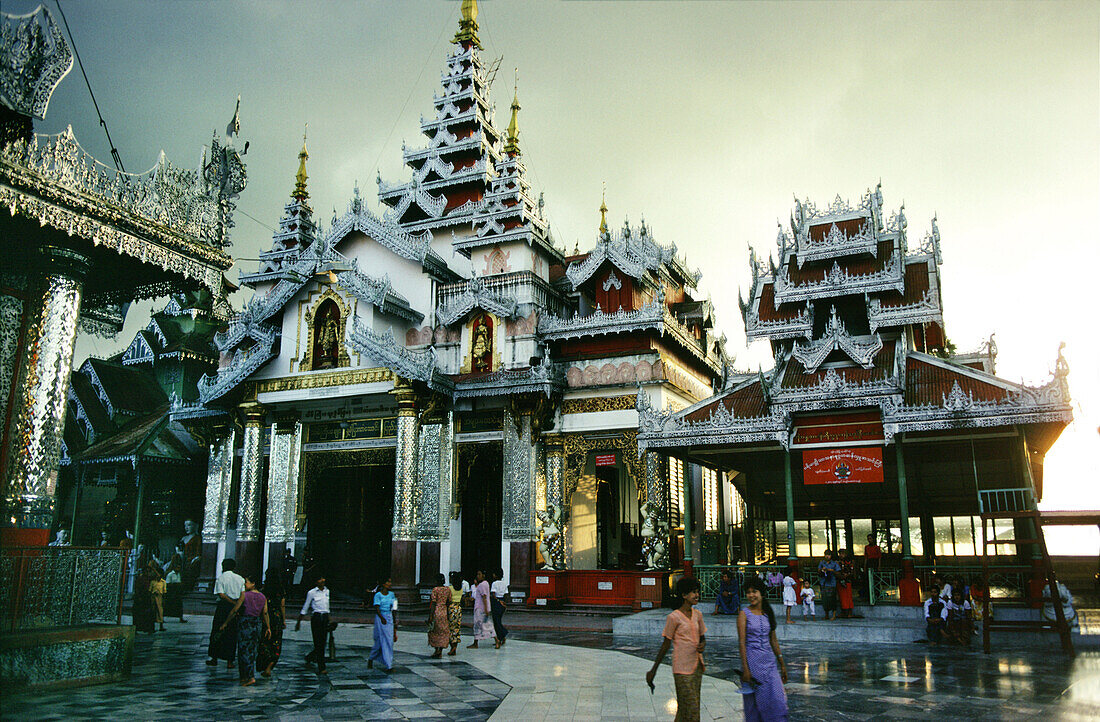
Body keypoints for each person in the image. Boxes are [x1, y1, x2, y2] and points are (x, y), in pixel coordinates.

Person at [646, 576, 707, 722]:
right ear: (684, 595)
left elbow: (703, 637)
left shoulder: (698, 615)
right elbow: (665, 644)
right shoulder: (673, 618)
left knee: (686, 710)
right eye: (693, 592)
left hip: (697, 666)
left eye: (697, 591)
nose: (697, 595)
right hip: (681, 669)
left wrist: (702, 644)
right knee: (692, 712)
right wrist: (653, 670)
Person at [738, 577, 789, 721]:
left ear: (761, 593)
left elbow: (773, 639)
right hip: (752, 662)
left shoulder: (768, 613)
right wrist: (745, 669)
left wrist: (782, 663)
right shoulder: (744, 614)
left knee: (777, 699)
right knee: (755, 704)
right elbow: (742, 643)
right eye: (748, 592)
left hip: (769, 662)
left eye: (754, 591)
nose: (751, 595)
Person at [220, 574, 269, 687]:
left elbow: (234, 610)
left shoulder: (244, 595)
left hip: (246, 623)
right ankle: (247, 676)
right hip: (257, 624)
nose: (244, 584)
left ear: (253, 584)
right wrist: (268, 627)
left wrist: (226, 623)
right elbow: (265, 613)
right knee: (252, 650)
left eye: (246, 582)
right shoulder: (262, 597)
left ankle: (248, 676)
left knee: (243, 650)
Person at [207, 558, 244, 667]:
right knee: (232, 633)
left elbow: (221, 595)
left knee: (217, 631)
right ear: (233, 567)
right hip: (237, 605)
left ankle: (214, 657)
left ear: (223, 566)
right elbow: (243, 594)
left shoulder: (220, 579)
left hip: (223, 607)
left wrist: (231, 602)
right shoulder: (240, 578)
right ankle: (229, 661)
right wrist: (236, 605)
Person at [295, 574, 331, 674]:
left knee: (322, 643)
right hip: (316, 618)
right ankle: (321, 666)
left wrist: (329, 620)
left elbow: (327, 607)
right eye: (319, 579)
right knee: (318, 642)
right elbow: (305, 607)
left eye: (323, 578)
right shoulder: (311, 593)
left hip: (324, 618)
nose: (322, 580)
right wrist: (299, 621)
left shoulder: (327, 591)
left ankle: (310, 657)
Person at [258, 568, 286, 677]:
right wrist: (283, 620)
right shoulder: (281, 589)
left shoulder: (265, 589)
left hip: (267, 617)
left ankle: (264, 664)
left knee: (265, 641)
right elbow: (282, 605)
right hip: (277, 617)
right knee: (276, 641)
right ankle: (270, 665)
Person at [368, 578, 398, 672]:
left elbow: (394, 607)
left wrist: (394, 620)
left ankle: (388, 663)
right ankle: (375, 659)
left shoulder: (392, 595)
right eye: (388, 582)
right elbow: (377, 607)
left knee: (389, 641)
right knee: (381, 640)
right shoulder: (378, 595)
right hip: (381, 618)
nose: (389, 583)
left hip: (389, 617)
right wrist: (382, 618)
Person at [468, 570, 496, 649]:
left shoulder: (482, 585)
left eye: (479, 574)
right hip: (483, 607)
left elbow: (484, 597)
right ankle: (476, 641)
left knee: (481, 624)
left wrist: (486, 609)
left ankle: (495, 640)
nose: (478, 576)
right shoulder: (486, 583)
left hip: (480, 608)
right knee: (484, 625)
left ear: (483, 575)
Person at [428, 573, 451, 658]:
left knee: (435, 631)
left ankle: (436, 650)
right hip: (444, 611)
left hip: (437, 611)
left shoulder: (435, 590)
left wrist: (430, 615)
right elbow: (449, 602)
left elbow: (433, 603)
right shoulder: (447, 589)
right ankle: (440, 651)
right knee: (443, 631)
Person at [132, 562, 155, 634]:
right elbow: (137, 588)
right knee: (138, 614)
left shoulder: (150, 579)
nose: (148, 573)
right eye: (146, 571)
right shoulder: (140, 578)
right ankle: (137, 628)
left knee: (148, 614)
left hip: (147, 597)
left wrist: (153, 568)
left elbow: (159, 576)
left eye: (149, 571)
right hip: (140, 597)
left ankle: (148, 629)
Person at [818, 550, 840, 621]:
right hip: (824, 583)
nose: (827, 556)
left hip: (831, 583)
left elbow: (838, 573)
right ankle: (826, 615)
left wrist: (831, 570)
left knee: (832, 599)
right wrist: (822, 570)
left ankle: (833, 615)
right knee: (825, 600)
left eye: (829, 555)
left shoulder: (834, 564)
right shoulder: (822, 563)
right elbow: (818, 571)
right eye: (826, 555)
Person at [164, 555, 186, 624]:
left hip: (177, 592)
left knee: (179, 605)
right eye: (177, 567)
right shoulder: (170, 574)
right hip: (171, 592)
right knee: (167, 605)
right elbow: (167, 583)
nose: (178, 569)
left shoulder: (179, 574)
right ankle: (163, 617)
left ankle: (180, 618)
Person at [490, 568, 508, 648]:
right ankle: (502, 637)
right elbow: (506, 594)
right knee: (498, 620)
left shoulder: (494, 583)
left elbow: (493, 594)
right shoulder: (504, 583)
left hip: (496, 602)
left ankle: (502, 635)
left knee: (496, 621)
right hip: (502, 601)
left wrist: (497, 600)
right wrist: (504, 603)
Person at [447, 571, 464, 655]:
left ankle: (452, 646)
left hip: (452, 608)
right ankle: (455, 646)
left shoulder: (450, 588)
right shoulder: (461, 588)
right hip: (458, 608)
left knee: (450, 627)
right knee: (457, 628)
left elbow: (448, 599)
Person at [837, 550, 855, 618]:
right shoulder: (838, 562)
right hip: (840, 581)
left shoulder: (849, 562)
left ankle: (850, 612)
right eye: (840, 554)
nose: (841, 555)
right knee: (842, 598)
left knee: (848, 597)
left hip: (847, 581)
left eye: (842, 554)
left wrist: (847, 575)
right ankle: (843, 612)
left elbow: (852, 571)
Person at [863, 533, 882, 599]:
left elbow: (879, 557)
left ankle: (877, 593)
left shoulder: (877, 548)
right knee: (868, 579)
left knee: (876, 579)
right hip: (869, 563)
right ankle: (868, 594)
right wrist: (865, 567)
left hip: (875, 563)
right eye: (868, 539)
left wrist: (879, 566)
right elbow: (866, 557)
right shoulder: (866, 547)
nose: (869, 540)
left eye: (870, 539)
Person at [149, 563, 167, 631]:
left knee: (160, 611)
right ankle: (152, 626)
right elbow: (150, 590)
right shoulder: (153, 582)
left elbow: (164, 591)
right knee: (153, 611)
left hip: (160, 596)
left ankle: (161, 625)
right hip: (153, 596)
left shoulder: (163, 582)